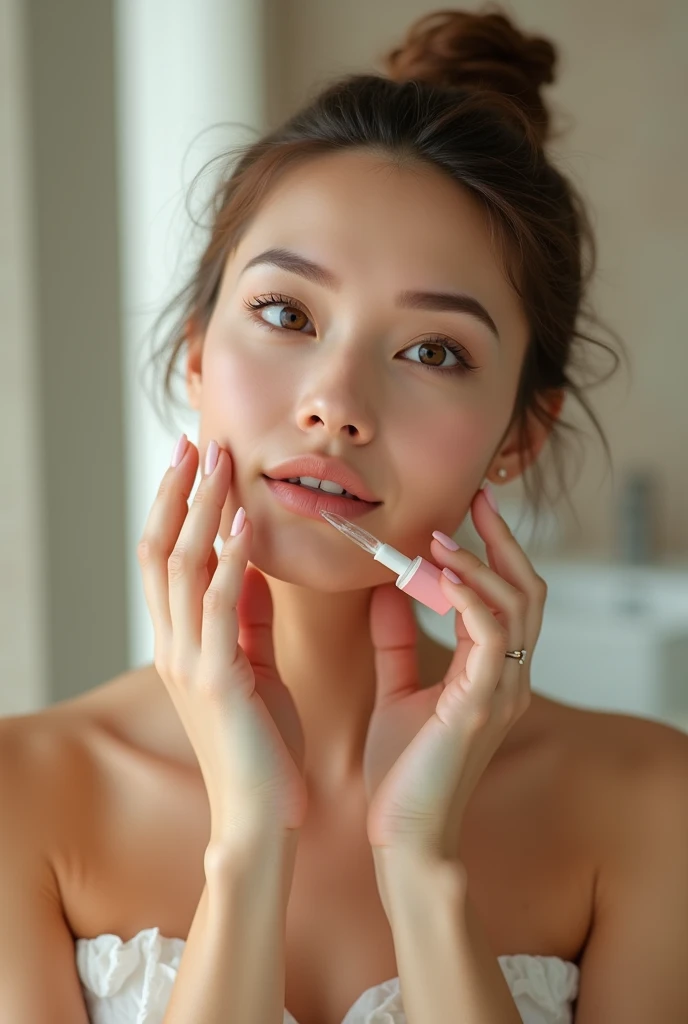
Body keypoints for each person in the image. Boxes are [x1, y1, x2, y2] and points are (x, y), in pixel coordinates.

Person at [2, 7, 687, 1024]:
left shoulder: (650, 806)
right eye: (287, 314)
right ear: (196, 354)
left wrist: (422, 869)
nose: (335, 400)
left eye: (432, 350)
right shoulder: (23, 793)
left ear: (517, 437)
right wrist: (244, 849)